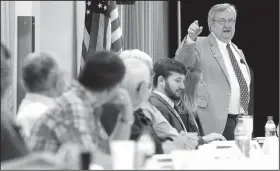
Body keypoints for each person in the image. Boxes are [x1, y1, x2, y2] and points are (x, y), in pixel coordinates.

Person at [27, 51, 134, 165]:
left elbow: (107, 153)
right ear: (114, 86)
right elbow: (89, 162)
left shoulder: (86, 104)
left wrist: (125, 116)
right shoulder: (74, 105)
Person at [175, 3, 254, 140]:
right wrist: (190, 39)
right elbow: (181, 64)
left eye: (231, 21)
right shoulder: (199, 43)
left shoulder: (237, 51)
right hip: (213, 121)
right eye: (222, 21)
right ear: (211, 24)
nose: (227, 25)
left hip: (241, 122)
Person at [101, 49, 198, 154]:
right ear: (143, 88)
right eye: (149, 84)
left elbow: (154, 144)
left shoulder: (132, 109)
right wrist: (177, 144)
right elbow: (140, 151)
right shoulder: (122, 111)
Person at [16, 52, 68, 138]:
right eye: (60, 73)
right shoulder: (43, 115)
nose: (63, 78)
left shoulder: (29, 108)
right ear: (51, 77)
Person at [176, 66, 226, 144]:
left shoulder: (191, 110)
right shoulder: (181, 112)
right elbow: (185, 142)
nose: (204, 85)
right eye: (201, 82)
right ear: (192, 86)